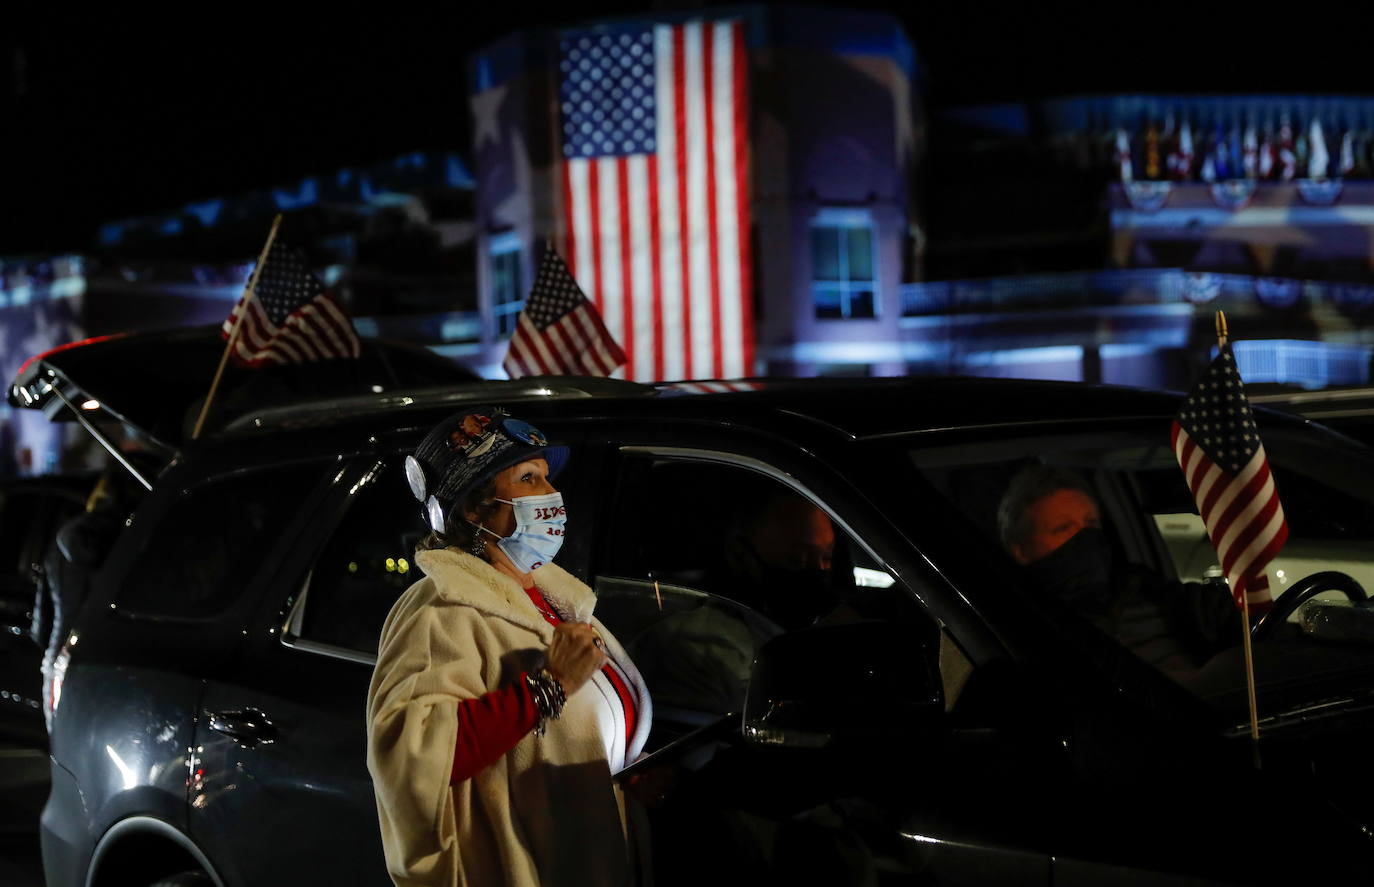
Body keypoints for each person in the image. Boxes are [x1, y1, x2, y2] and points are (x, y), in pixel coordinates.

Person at [366, 407, 653, 887]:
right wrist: (550, 686)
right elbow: (412, 757)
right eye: (527, 478)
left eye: (545, 475)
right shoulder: (442, 608)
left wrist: (626, 768)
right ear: (474, 508)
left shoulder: (553, 598)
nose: (551, 494)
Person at [997, 464, 1238, 683]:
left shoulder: (1145, 590)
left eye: (1091, 523)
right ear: (1021, 549)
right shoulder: (1013, 630)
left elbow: (1215, 608)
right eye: (1063, 528)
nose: (1085, 538)